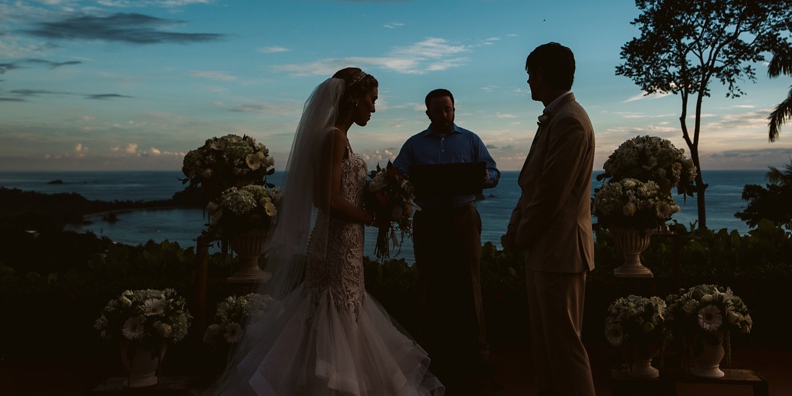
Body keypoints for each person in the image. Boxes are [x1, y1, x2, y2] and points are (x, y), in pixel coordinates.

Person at [206, 68, 444, 396]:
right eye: (371, 100)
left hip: (341, 241)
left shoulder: (337, 137)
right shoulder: (334, 137)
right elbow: (327, 200)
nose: (373, 109)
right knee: (338, 310)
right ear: (353, 99)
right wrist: (372, 216)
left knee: (334, 309)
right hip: (336, 242)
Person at [506, 43, 596, 396]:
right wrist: (516, 225)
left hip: (560, 253)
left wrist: (520, 235)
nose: (528, 80)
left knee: (564, 350)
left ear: (541, 74)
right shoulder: (557, 118)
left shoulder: (570, 121)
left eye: (529, 73)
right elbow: (533, 184)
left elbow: (551, 196)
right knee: (546, 351)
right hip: (547, 251)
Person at [393, 88, 499, 380]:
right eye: (437, 110)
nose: (443, 115)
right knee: (429, 282)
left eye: (448, 109)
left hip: (464, 218)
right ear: (427, 113)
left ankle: (478, 354)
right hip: (429, 220)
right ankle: (432, 353)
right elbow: (396, 176)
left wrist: (485, 177)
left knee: (470, 282)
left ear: (455, 109)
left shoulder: (471, 140)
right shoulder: (414, 145)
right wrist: (398, 184)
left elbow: (494, 173)